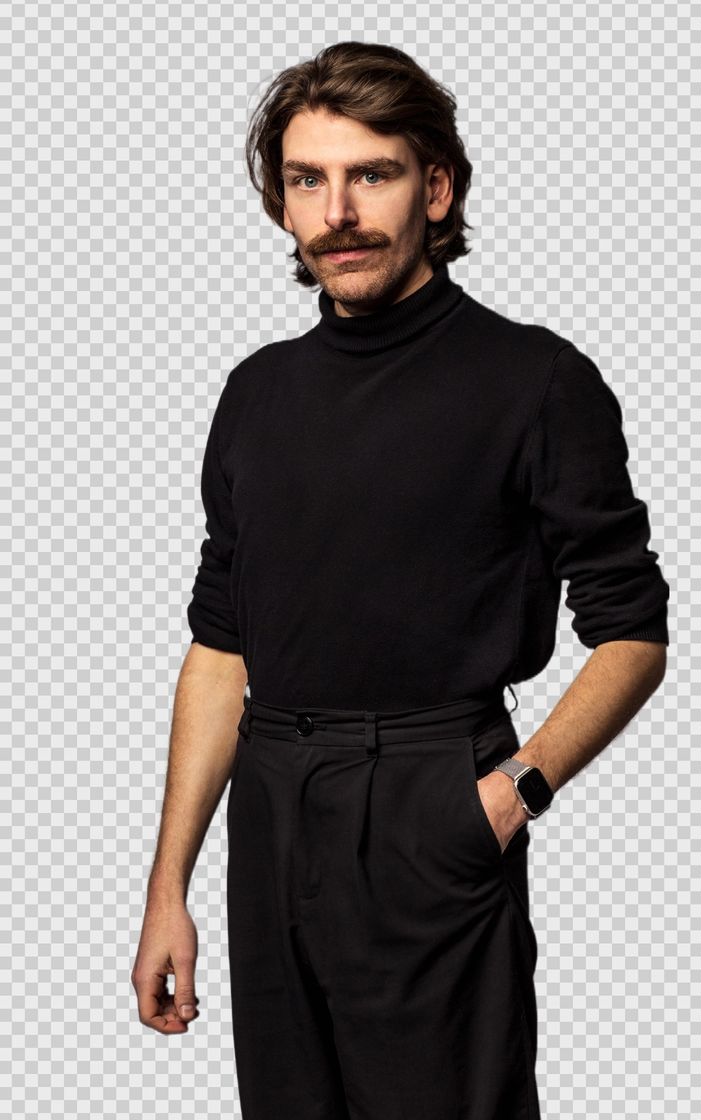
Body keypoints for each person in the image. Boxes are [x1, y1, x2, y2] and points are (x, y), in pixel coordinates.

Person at [131, 41, 669, 1120]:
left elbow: (632, 632)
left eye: (370, 174)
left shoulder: (535, 380)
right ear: (282, 201)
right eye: (307, 180)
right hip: (271, 806)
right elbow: (221, 645)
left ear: (435, 187)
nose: (337, 212)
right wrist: (167, 890)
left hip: (433, 797)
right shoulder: (256, 393)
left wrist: (512, 794)